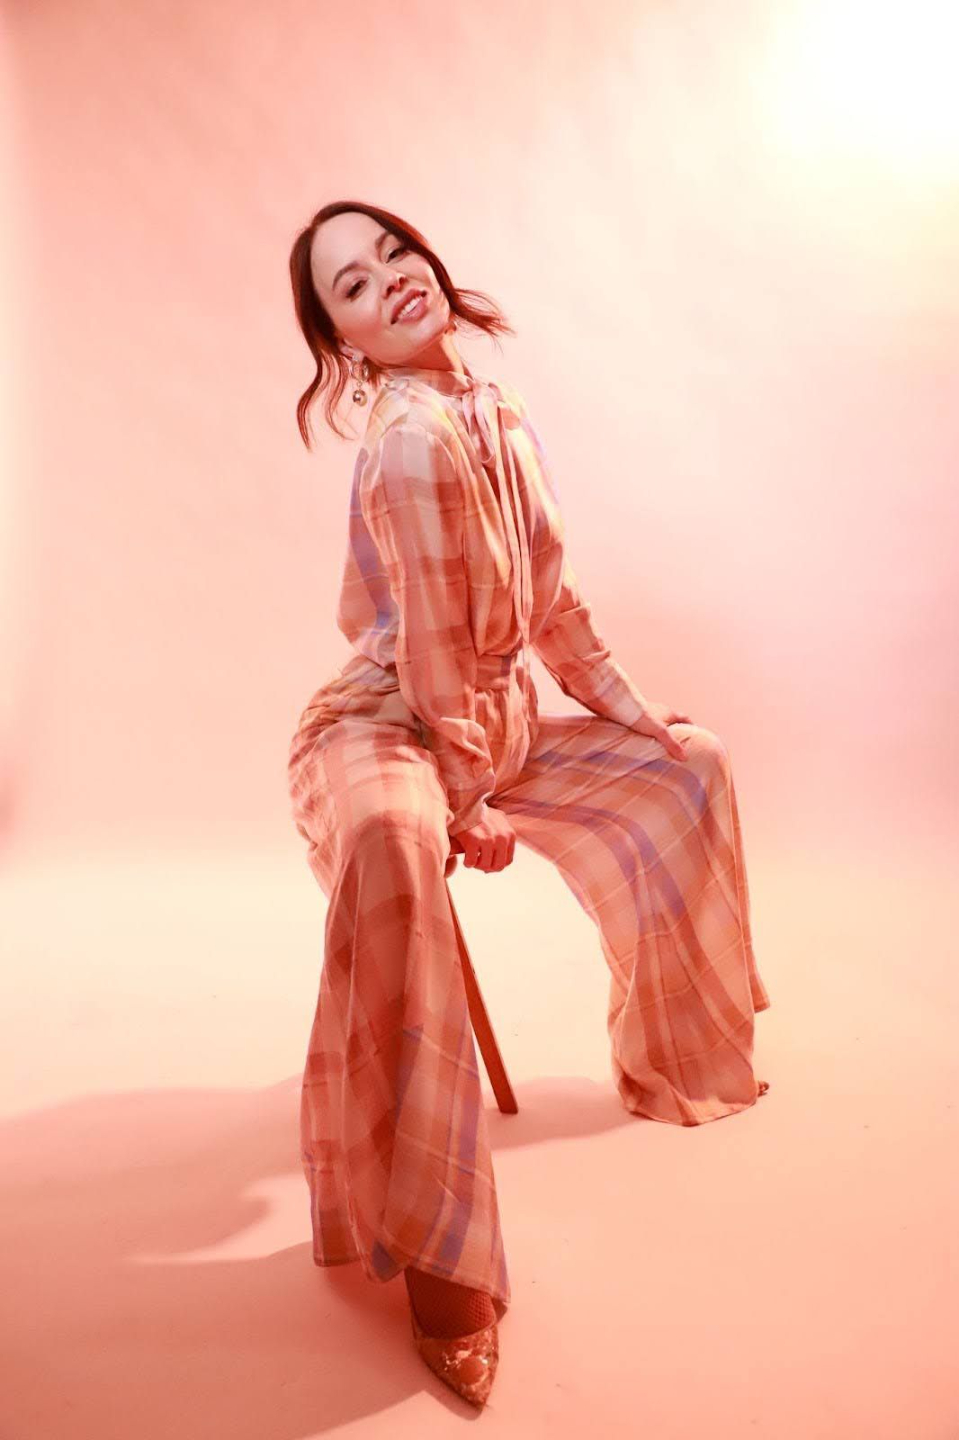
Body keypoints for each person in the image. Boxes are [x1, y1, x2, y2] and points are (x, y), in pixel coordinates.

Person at [285, 200, 771, 1407]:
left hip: (481, 718)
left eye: (393, 252)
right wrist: (459, 801)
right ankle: (440, 1263)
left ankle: (673, 1056)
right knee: (395, 843)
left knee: (687, 763)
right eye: (353, 286)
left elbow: (550, 607)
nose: (390, 279)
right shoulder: (407, 441)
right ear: (343, 341)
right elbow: (428, 652)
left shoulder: (492, 411)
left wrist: (635, 712)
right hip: (384, 727)